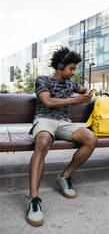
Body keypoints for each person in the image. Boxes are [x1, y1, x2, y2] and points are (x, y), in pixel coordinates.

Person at [26, 46, 98, 226]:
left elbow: (83, 90)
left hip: (65, 122)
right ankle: (34, 199)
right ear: (60, 66)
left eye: (74, 69)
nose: (73, 72)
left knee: (91, 139)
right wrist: (75, 100)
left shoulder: (71, 84)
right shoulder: (42, 80)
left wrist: (87, 92)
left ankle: (64, 176)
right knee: (43, 142)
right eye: (71, 68)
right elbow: (47, 102)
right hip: (45, 119)